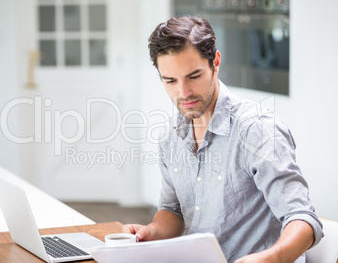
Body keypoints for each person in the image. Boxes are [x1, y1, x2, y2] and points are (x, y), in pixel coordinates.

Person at [122, 16, 323, 263]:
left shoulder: (257, 129)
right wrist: (150, 232)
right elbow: (173, 211)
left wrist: (271, 258)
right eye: (171, 81)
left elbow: (301, 217)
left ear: (215, 62)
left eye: (193, 76)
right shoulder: (170, 136)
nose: (183, 93)